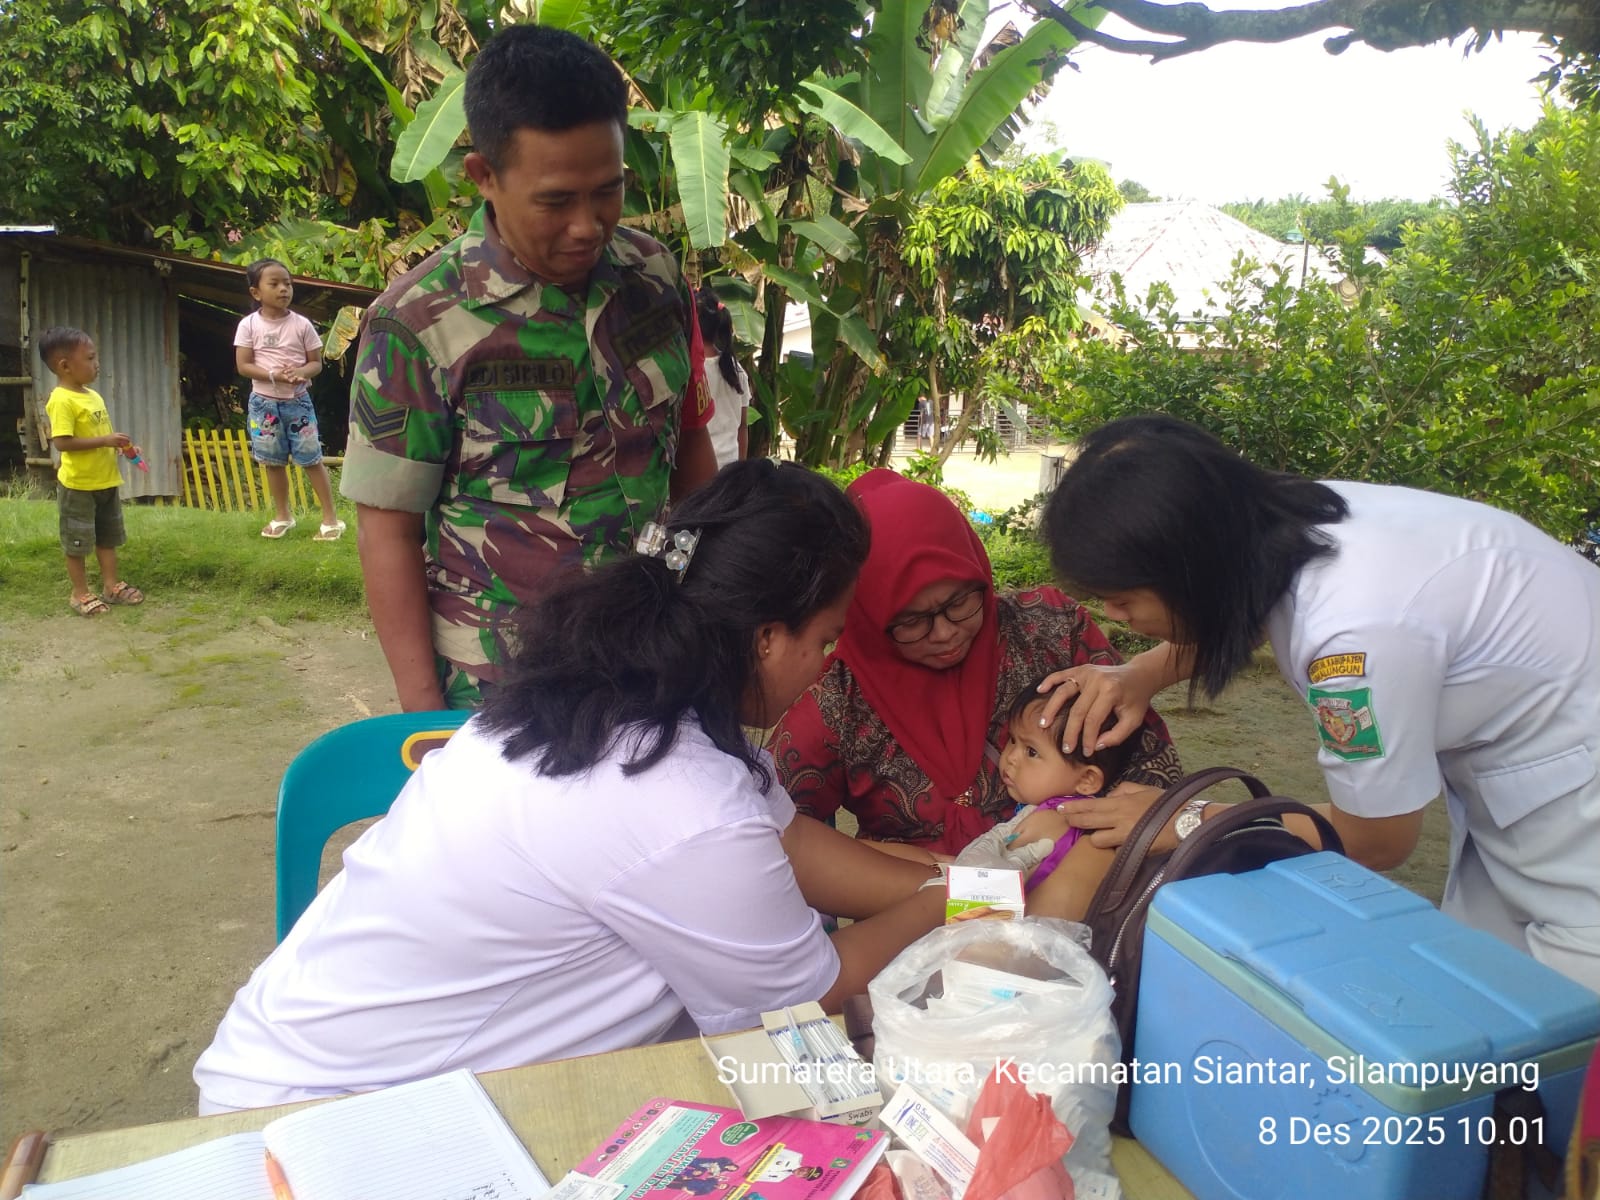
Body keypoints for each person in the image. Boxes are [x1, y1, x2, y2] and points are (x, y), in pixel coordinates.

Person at [193, 461, 947, 1113]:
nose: (829, 662)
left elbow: (796, 848)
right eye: (826, 639)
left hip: (302, 1065)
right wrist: (947, 905)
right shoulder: (681, 800)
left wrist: (972, 879)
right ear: (767, 639)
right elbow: (803, 998)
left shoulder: (614, 705)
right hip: (336, 1120)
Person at [1038, 413, 1600, 993]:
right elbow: (1242, 606)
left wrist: (1184, 820)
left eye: (1122, 599)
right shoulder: (1265, 515)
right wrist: (1141, 674)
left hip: (1579, 816)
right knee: (1484, 983)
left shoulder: (1354, 634)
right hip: (1521, 769)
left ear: (1193, 570)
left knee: (1559, 1014)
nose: (1114, 616)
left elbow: (1376, 838)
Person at [340, 25, 718, 712]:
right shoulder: (417, 324)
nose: (588, 225)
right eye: (556, 200)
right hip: (502, 686)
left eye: (608, 191)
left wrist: (707, 605)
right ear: (484, 176)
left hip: (652, 656)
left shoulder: (655, 276)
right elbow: (387, 529)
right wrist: (424, 719)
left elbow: (689, 445)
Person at [769, 469, 1182, 859]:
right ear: (868, 619)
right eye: (912, 621)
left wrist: (1081, 847)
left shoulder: (1051, 633)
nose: (944, 633)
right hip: (911, 899)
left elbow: (1146, 760)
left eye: (960, 602)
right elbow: (774, 830)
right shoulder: (838, 700)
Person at [997, 678, 1135, 920]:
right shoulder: (1083, 815)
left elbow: (989, 871)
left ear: (1086, 780)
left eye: (1031, 751)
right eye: (1012, 740)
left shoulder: (1049, 818)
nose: (1011, 757)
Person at [234, 258, 344, 541]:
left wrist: (300, 373)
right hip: (263, 405)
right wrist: (274, 375)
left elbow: (315, 363)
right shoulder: (248, 325)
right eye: (274, 284)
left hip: (298, 402)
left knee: (311, 459)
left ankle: (331, 520)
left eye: (288, 283)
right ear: (256, 292)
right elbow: (244, 366)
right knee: (273, 461)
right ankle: (283, 516)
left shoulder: (302, 325)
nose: (283, 289)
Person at [40, 326, 144, 617]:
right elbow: (62, 443)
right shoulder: (62, 400)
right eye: (89, 358)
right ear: (65, 366)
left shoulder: (93, 396)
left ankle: (111, 586)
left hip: (105, 481)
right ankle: (80, 593)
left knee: (107, 537)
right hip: (78, 486)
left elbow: (99, 437)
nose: (96, 363)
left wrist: (121, 448)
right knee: (77, 542)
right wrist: (105, 441)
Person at [697, 286, 748, 468]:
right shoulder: (737, 370)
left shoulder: (691, 371)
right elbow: (743, 426)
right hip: (730, 467)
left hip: (699, 468)